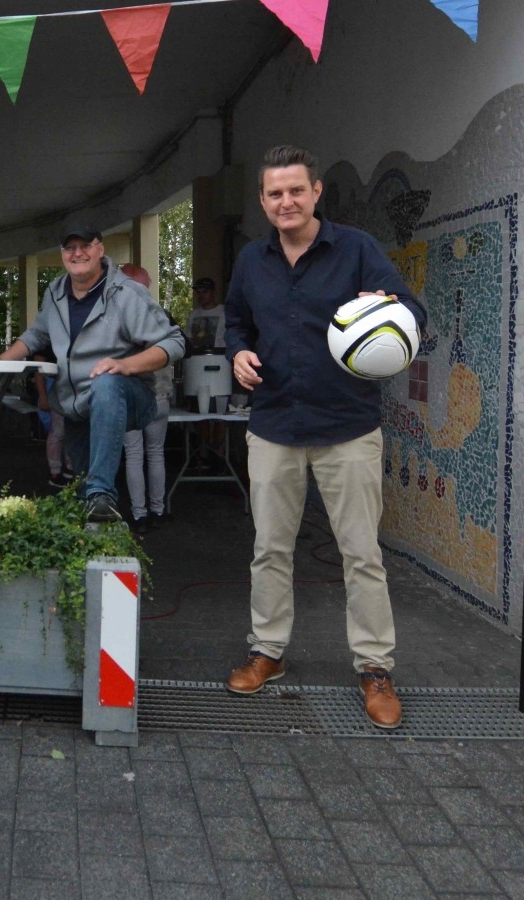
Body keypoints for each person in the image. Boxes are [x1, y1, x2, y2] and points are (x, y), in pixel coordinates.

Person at [223, 145, 427, 729]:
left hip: (347, 427)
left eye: (295, 190)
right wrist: (237, 350)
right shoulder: (250, 261)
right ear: (263, 201)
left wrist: (386, 308)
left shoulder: (358, 250)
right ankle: (268, 652)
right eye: (274, 193)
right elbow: (236, 320)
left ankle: (374, 669)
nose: (285, 201)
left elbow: (409, 310)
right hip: (274, 425)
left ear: (316, 192)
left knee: (361, 554)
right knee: (270, 549)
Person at [0, 226, 185, 523]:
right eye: (70, 247)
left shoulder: (126, 293)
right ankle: (95, 519)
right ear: (62, 255)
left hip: (128, 397)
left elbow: (174, 342)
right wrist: (1, 361)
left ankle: (102, 492)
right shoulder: (55, 292)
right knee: (82, 493)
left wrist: (127, 365)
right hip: (74, 404)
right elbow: (36, 336)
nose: (78, 253)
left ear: (100, 250)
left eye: (85, 245)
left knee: (106, 383)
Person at [119, 265, 171, 532]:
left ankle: (140, 516)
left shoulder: (120, 316)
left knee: (134, 456)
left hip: (133, 398)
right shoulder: (160, 315)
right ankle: (158, 510)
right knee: (156, 454)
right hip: (160, 394)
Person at [186, 276, 228, 469]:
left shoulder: (224, 313)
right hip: (197, 368)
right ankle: (203, 453)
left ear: (213, 292)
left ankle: (219, 454)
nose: (201, 296)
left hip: (220, 366)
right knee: (200, 413)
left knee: (220, 415)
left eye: (205, 291)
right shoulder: (193, 315)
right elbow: (187, 341)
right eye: (198, 292)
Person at [33, 346, 74, 487]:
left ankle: (70, 468)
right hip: (54, 387)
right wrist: (43, 397)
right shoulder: (46, 339)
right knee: (58, 432)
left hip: (72, 386)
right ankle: (55, 472)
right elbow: (39, 370)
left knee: (71, 429)